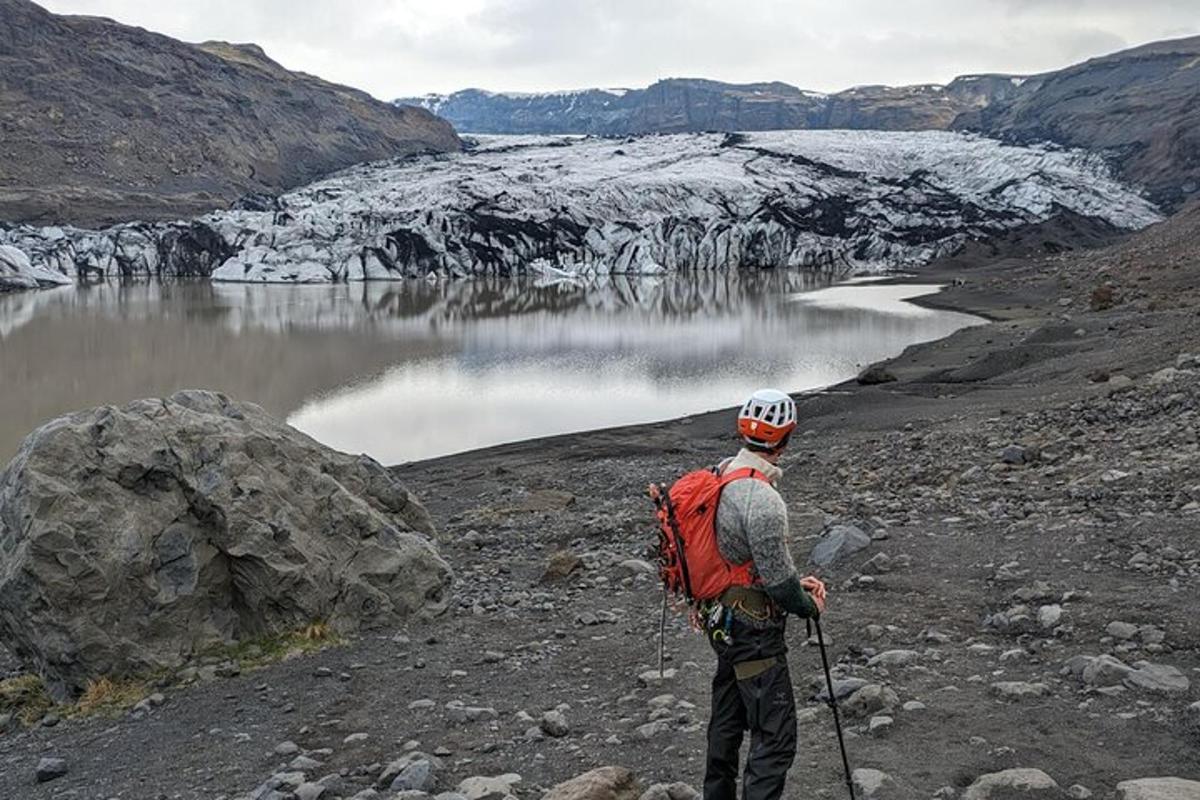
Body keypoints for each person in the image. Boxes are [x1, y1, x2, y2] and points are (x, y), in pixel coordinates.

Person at [703, 387, 827, 800]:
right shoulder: (764, 499)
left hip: (722, 620)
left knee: (726, 725)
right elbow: (776, 581)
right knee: (774, 740)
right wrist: (807, 603)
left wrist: (793, 581)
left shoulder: (722, 473)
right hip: (756, 632)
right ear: (786, 438)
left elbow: (753, 563)